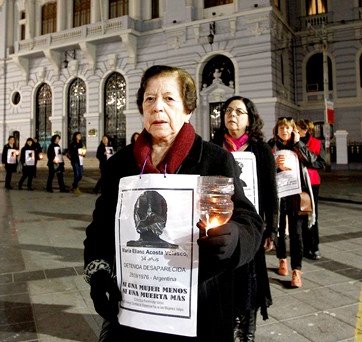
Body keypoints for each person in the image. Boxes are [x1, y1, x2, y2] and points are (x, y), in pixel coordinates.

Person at [83, 65, 262, 340]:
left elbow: (249, 221)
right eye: (149, 99)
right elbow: (99, 230)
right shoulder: (121, 164)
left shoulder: (214, 160)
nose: (157, 108)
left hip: (199, 309)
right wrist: (98, 275)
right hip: (134, 311)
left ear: (187, 109)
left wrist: (235, 237)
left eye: (169, 99)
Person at [212, 95, 277, 341]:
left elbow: (271, 192)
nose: (232, 115)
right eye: (228, 110)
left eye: (239, 111)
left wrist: (272, 229)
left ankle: (247, 332)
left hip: (251, 225)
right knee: (224, 278)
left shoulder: (261, 151)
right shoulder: (214, 147)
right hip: (221, 225)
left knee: (250, 278)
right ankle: (227, 324)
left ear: (249, 119)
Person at [268, 117, 321, 288]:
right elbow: (262, 169)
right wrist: (274, 165)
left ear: (294, 130)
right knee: (280, 231)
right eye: (281, 127)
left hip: (296, 195)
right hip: (278, 195)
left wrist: (299, 145)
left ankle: (296, 271)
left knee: (297, 233)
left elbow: (318, 162)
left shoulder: (298, 146)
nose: (284, 131)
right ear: (276, 130)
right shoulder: (271, 145)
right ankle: (282, 259)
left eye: (288, 128)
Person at [296, 119, 326, 260]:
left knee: (311, 215)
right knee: (298, 216)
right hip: (295, 182)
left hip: (311, 182)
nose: (294, 130)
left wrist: (306, 159)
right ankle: (301, 246)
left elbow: (321, 163)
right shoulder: (291, 142)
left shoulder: (316, 143)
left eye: (297, 128)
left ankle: (313, 247)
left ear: (305, 129)